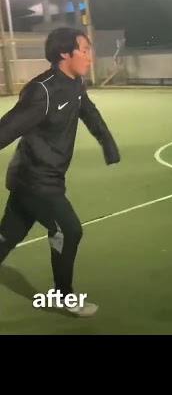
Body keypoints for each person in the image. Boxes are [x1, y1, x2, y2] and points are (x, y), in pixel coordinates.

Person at [0, 27, 120, 317]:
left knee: (9, 235)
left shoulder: (75, 84)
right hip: (35, 179)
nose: (90, 57)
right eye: (85, 50)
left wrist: (108, 143)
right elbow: (6, 130)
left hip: (43, 177)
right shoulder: (43, 91)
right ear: (65, 53)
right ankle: (63, 296)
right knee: (69, 230)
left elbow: (89, 112)